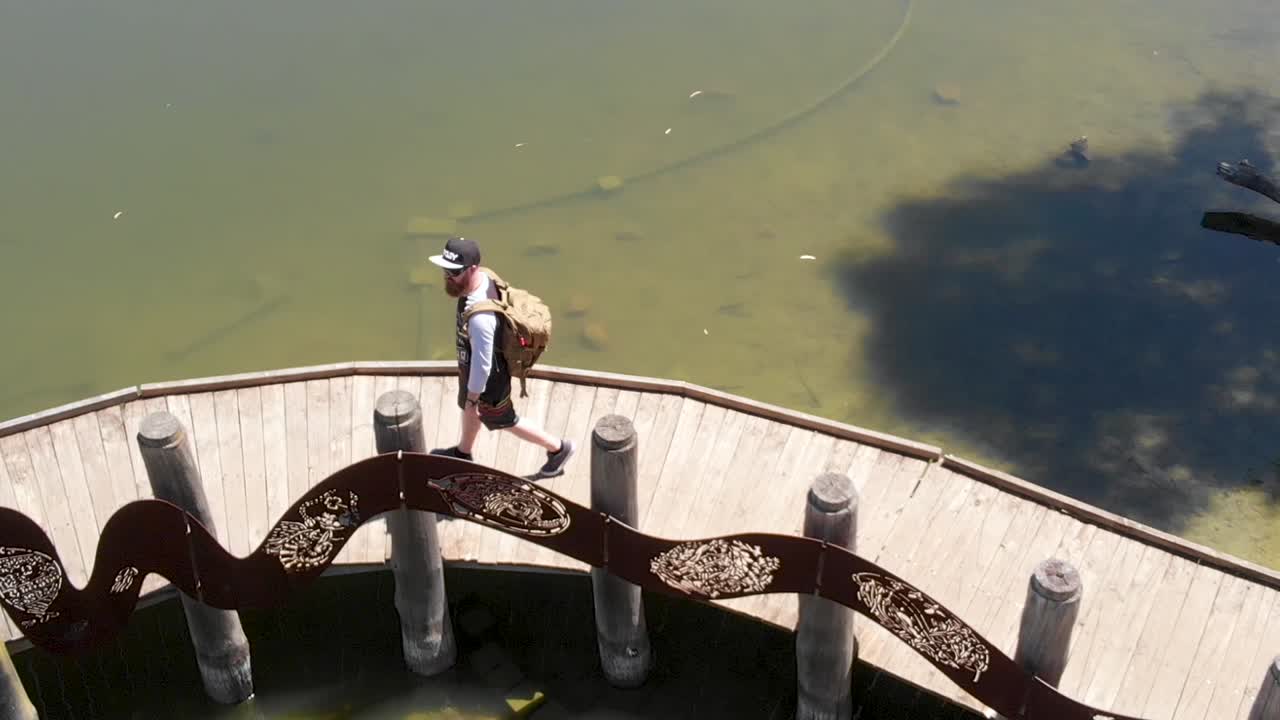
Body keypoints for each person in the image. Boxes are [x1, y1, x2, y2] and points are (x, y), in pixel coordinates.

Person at [427, 236, 575, 478]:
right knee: (469, 409)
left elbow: (483, 365)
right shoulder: (482, 278)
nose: (447, 275)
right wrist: (470, 400)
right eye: (445, 269)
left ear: (472, 269)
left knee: (507, 420)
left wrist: (474, 397)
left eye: (454, 271)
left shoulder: (480, 320)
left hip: (490, 383)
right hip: (473, 372)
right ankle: (463, 452)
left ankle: (559, 448)